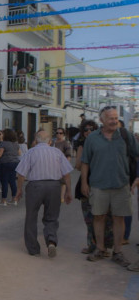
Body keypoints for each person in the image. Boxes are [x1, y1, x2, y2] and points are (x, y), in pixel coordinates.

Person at [81, 106, 139, 267]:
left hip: (121, 185)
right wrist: (84, 183)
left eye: (115, 118)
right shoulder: (92, 138)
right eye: (110, 118)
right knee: (98, 217)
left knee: (118, 219)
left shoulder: (125, 136)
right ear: (102, 120)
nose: (114, 121)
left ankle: (118, 252)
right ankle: (100, 249)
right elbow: (85, 162)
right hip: (98, 186)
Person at [15, 131, 73, 257]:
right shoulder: (57, 152)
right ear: (50, 141)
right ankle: (51, 241)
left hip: (35, 187)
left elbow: (21, 173)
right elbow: (67, 174)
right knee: (51, 217)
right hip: (54, 186)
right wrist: (68, 191)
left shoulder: (31, 152)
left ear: (35, 141)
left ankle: (33, 249)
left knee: (31, 217)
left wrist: (19, 189)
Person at [74, 120, 113, 256]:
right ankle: (92, 245)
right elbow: (78, 165)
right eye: (85, 130)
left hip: (103, 184)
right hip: (86, 184)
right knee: (89, 218)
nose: (88, 132)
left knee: (105, 217)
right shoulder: (82, 145)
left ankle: (105, 247)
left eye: (91, 129)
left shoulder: (103, 144)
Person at [0, 129, 20, 206]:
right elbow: (19, 153)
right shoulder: (16, 143)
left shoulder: (3, 144)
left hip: (5, 163)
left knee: (4, 182)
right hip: (15, 163)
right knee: (12, 181)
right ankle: (14, 199)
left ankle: (3, 200)